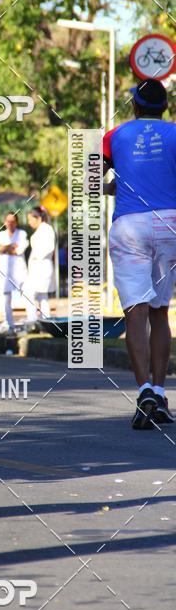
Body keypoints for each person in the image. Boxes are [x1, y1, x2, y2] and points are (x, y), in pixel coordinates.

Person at [103, 78, 176, 429]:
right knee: (160, 312)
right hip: (169, 225)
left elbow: (92, 179)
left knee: (136, 313)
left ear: (134, 106)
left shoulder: (115, 135)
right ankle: (161, 392)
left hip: (130, 224)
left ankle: (144, 390)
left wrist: (112, 186)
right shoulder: (175, 133)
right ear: (164, 108)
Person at [0, 213, 28, 332]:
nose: (10, 224)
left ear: (16, 222)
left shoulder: (22, 234)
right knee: (6, 299)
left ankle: (31, 322)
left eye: (12, 221)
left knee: (27, 296)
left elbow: (18, 250)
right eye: (8, 221)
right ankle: (9, 323)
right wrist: (10, 246)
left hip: (19, 270)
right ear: (4, 222)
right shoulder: (0, 234)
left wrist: (4, 248)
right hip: (4, 271)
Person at [24, 207, 55, 324]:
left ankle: (33, 319)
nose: (29, 222)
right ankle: (45, 320)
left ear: (39, 218)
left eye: (31, 219)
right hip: (37, 267)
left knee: (28, 292)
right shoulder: (40, 230)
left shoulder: (47, 229)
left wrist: (38, 256)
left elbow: (49, 247)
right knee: (42, 295)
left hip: (42, 267)